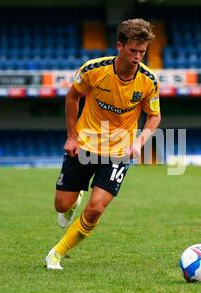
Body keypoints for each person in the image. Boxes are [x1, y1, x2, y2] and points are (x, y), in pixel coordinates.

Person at [45, 18, 161, 270]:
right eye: (133, 51)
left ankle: (56, 253)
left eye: (142, 52)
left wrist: (140, 141)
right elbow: (73, 97)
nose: (138, 57)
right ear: (119, 46)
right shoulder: (93, 70)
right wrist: (72, 136)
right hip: (86, 144)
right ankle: (73, 201)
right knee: (61, 205)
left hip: (120, 151)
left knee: (96, 208)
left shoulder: (148, 81)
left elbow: (154, 116)